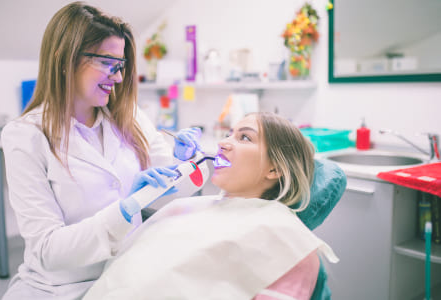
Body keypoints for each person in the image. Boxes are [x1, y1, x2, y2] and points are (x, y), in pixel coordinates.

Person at [0, 2, 205, 299]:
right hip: (60, 288)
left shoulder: (128, 117)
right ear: (65, 59)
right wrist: (123, 211)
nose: (119, 77)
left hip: (127, 273)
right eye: (107, 63)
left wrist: (184, 163)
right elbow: (47, 250)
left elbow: (178, 188)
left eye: (120, 66)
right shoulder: (26, 136)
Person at [83, 112, 340, 300]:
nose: (223, 143)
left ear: (275, 168)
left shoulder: (288, 245)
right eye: (229, 134)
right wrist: (129, 206)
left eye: (245, 138)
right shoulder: (188, 207)